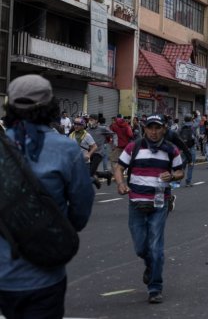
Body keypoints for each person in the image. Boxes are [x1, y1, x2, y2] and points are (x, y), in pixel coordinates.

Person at [0, 75, 94, 318]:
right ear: (51, 107)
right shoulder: (66, 149)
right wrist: (54, 228)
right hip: (44, 274)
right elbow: (81, 211)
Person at [113, 114, 184, 304]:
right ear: (144, 129)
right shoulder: (133, 147)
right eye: (150, 128)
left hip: (160, 204)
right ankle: (150, 265)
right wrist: (120, 184)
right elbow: (119, 167)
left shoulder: (171, 149)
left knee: (156, 247)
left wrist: (173, 176)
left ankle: (155, 288)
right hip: (136, 203)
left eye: (157, 128)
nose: (154, 132)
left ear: (163, 129)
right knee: (140, 247)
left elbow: (180, 171)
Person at [69, 117, 102, 189]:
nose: (76, 126)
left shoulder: (87, 135)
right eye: (75, 124)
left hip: (84, 161)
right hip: (74, 161)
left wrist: (89, 154)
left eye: (78, 124)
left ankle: (93, 180)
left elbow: (95, 147)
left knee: (84, 180)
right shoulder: (71, 135)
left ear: (82, 125)